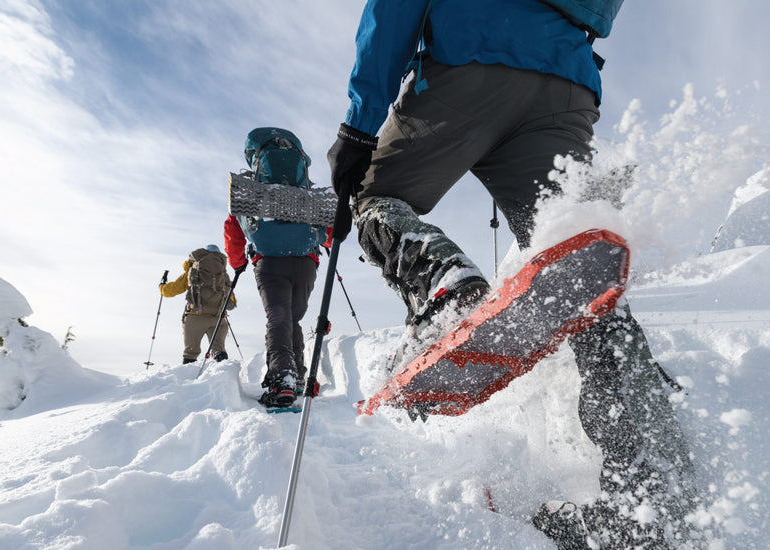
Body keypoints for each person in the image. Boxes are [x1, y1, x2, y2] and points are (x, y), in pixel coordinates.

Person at [326, 1, 697, 547]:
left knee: (377, 197)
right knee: (578, 269)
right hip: (566, 82)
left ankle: (445, 287)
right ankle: (645, 501)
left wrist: (359, 129)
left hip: (469, 57)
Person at [225, 128, 332, 409]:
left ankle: (281, 379)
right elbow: (329, 230)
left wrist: (237, 263)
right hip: (306, 262)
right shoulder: (305, 192)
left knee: (278, 318)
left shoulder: (252, 190)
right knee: (291, 319)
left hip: (270, 262)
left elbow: (233, 227)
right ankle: (296, 375)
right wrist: (325, 242)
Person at [159, 244, 235, 365]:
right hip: (217, 318)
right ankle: (224, 377)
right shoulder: (223, 275)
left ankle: (188, 381)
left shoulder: (193, 270)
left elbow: (172, 290)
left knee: (190, 353)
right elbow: (232, 302)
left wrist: (162, 287)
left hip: (195, 317)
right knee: (219, 352)